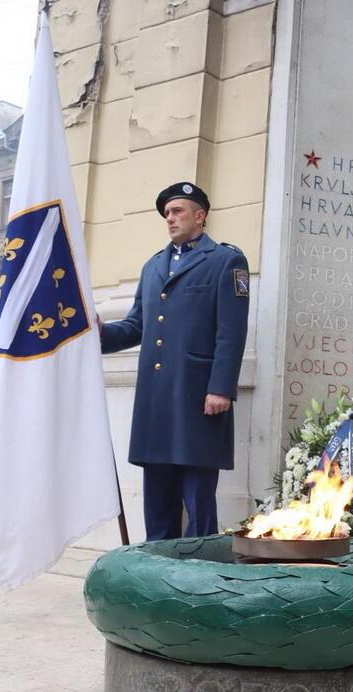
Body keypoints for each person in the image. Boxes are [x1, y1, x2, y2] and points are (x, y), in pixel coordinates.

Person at [100, 182, 249, 540]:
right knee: (157, 496)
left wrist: (221, 388)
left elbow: (231, 330)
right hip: (156, 400)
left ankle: (200, 571)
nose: (170, 218)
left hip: (199, 397)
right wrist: (97, 333)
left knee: (198, 498)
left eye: (177, 210)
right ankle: (157, 567)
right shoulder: (153, 266)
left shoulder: (227, 261)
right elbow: (138, 324)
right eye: (166, 213)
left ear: (201, 216)